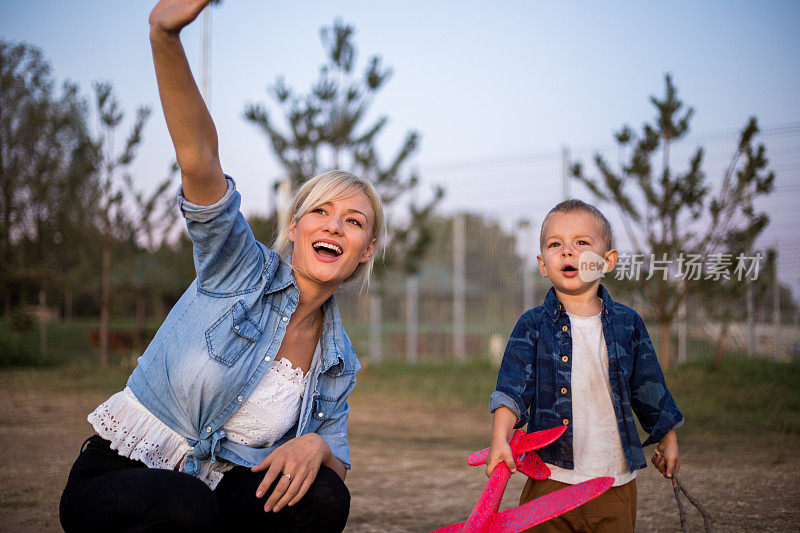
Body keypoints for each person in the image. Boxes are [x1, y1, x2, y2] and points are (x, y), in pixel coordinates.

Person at [59, 1, 384, 531]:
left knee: (324, 496)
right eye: (319, 212)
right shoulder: (239, 269)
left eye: (353, 221)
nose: (332, 226)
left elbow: (338, 460)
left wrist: (317, 445)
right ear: (296, 228)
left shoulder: (338, 358)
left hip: (215, 494)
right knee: (186, 506)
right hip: (123, 481)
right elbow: (200, 160)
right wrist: (164, 37)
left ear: (365, 249)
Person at [485, 200, 683, 533]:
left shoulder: (628, 324)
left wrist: (668, 436)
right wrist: (499, 438)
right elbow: (512, 389)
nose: (567, 252)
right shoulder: (533, 325)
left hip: (613, 483)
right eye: (555, 244)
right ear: (543, 264)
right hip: (549, 478)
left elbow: (649, 386)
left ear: (607, 261)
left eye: (581, 243)